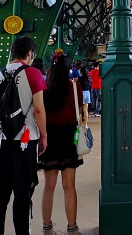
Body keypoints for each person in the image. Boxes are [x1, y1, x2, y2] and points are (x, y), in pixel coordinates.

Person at [0, 36, 47, 235]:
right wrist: (44, 135)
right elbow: (38, 109)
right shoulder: (34, 74)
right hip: (25, 140)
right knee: (23, 191)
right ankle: (22, 231)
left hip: (1, 140)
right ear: (30, 53)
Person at [38, 49, 83, 235]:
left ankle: (47, 228)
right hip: (68, 137)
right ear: (67, 70)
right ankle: (72, 228)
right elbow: (78, 112)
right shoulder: (75, 88)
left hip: (49, 137)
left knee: (49, 186)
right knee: (69, 186)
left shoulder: (44, 89)